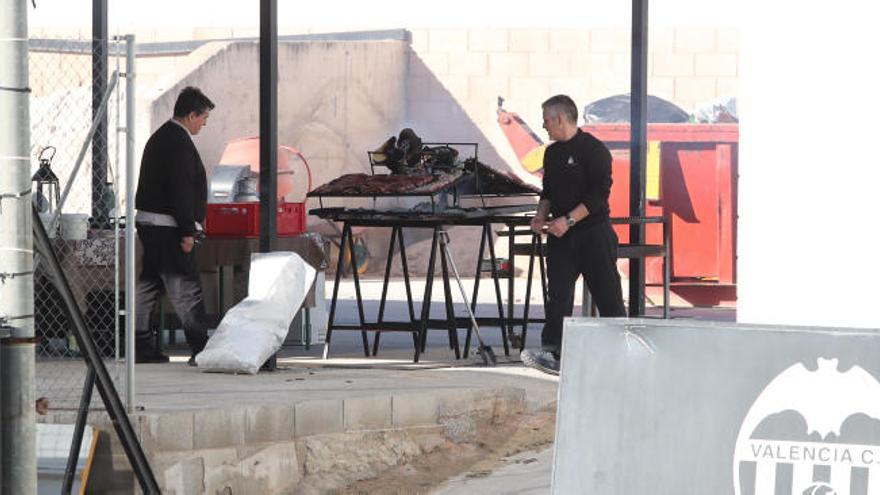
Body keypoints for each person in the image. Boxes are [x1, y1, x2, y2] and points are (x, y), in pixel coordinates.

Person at [521, 94, 626, 375]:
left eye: (546, 120)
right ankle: (554, 351)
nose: (543, 126)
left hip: (593, 234)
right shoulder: (551, 153)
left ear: (560, 118)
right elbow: (549, 192)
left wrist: (568, 220)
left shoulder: (594, 150)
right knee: (558, 294)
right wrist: (541, 216)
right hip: (561, 238)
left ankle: (620, 351)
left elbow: (598, 197)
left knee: (608, 293)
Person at [133, 86, 214, 365]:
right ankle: (201, 348)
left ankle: (140, 344)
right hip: (168, 226)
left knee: (149, 284)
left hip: (152, 223)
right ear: (191, 115)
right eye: (203, 117)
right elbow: (180, 190)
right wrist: (187, 231)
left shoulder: (162, 137)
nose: (205, 123)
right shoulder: (178, 142)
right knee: (185, 288)